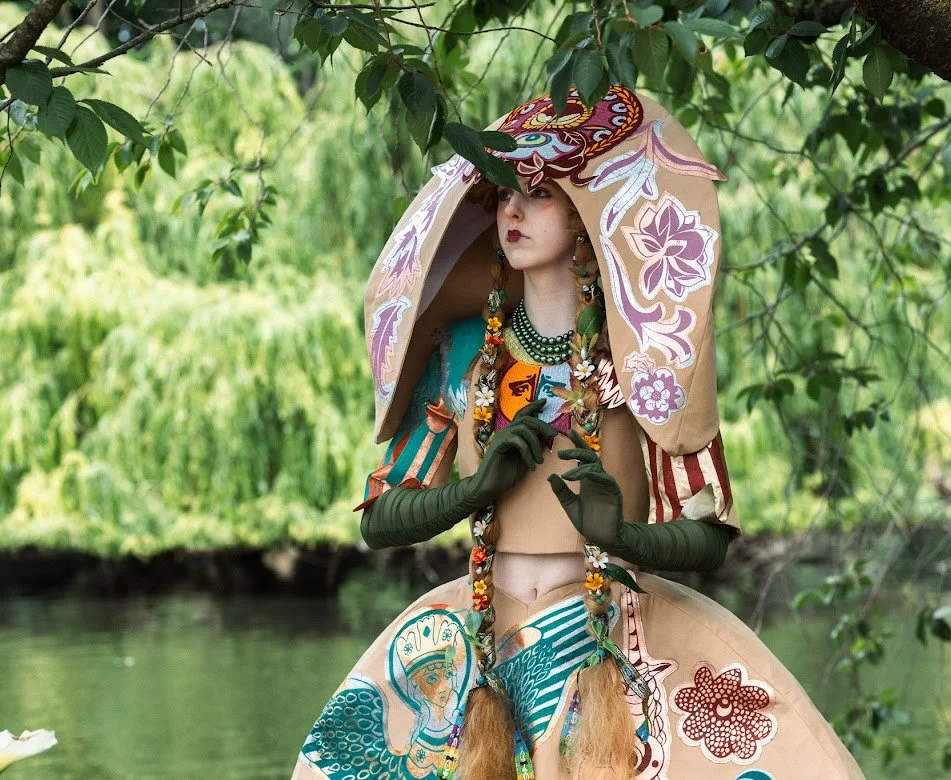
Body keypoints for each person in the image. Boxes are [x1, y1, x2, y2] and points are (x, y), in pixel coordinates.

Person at [293, 86, 864, 780]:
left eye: (538, 193)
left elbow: (711, 532)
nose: (511, 211)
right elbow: (381, 519)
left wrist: (621, 536)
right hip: (483, 640)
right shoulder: (461, 350)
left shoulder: (648, 352)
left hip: (616, 638)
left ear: (587, 212)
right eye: (502, 195)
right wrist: (471, 492)